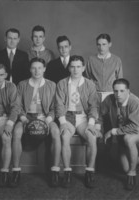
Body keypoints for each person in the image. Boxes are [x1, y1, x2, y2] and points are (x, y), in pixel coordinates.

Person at [11, 57, 61, 187]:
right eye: (34, 68)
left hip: (45, 117)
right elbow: (18, 105)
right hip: (27, 117)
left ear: (44, 69)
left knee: (56, 132)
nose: (37, 71)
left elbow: (54, 107)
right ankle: (16, 171)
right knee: (16, 133)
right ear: (30, 69)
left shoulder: (52, 85)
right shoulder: (22, 84)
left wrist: (48, 119)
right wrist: (23, 118)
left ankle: (55, 171)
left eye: (39, 68)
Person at [56, 55, 101, 188]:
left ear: (83, 68)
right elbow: (59, 105)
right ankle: (68, 172)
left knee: (92, 137)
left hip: (83, 117)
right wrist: (62, 122)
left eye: (78, 67)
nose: (75, 70)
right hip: (68, 117)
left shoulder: (89, 84)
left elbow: (94, 105)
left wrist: (91, 123)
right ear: (69, 68)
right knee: (64, 136)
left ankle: (90, 172)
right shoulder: (62, 83)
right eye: (72, 66)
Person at [102, 78, 139, 191]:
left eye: (122, 91)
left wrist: (113, 131)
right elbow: (98, 113)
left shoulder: (135, 102)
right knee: (125, 167)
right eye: (115, 91)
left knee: (129, 139)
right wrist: (97, 126)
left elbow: (134, 127)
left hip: (136, 131)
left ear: (128, 91)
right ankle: (132, 162)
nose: (118, 94)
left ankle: (132, 174)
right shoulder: (109, 99)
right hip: (122, 136)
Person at [85, 33, 123, 102]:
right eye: (99, 44)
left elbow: (120, 80)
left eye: (104, 44)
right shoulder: (91, 60)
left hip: (111, 95)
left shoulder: (116, 60)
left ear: (110, 44)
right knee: (95, 112)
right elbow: (87, 78)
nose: (101, 47)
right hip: (95, 95)